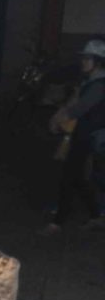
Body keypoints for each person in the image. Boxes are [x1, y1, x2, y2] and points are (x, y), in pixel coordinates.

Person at [44, 38, 105, 232]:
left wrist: (59, 119)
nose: (83, 62)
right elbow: (74, 102)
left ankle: (58, 222)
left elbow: (79, 107)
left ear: (98, 61)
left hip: (92, 137)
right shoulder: (91, 81)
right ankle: (96, 215)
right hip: (84, 135)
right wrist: (58, 116)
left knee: (71, 176)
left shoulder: (99, 84)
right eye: (84, 58)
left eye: (88, 59)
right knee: (77, 177)